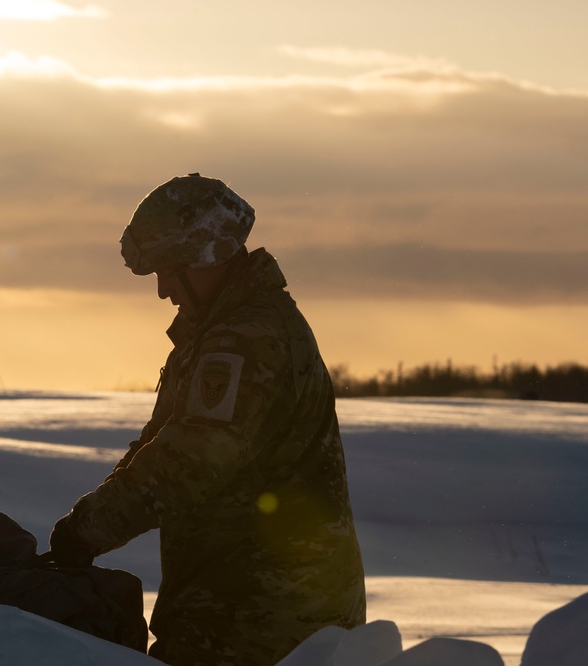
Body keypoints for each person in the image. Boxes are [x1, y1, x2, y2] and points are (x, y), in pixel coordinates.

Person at [49, 173, 366, 666]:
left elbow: (188, 461)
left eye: (169, 271)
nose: (163, 290)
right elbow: (160, 443)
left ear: (205, 256)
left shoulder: (246, 338)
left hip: (268, 620)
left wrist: (88, 531)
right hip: (231, 608)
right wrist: (86, 525)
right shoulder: (218, 332)